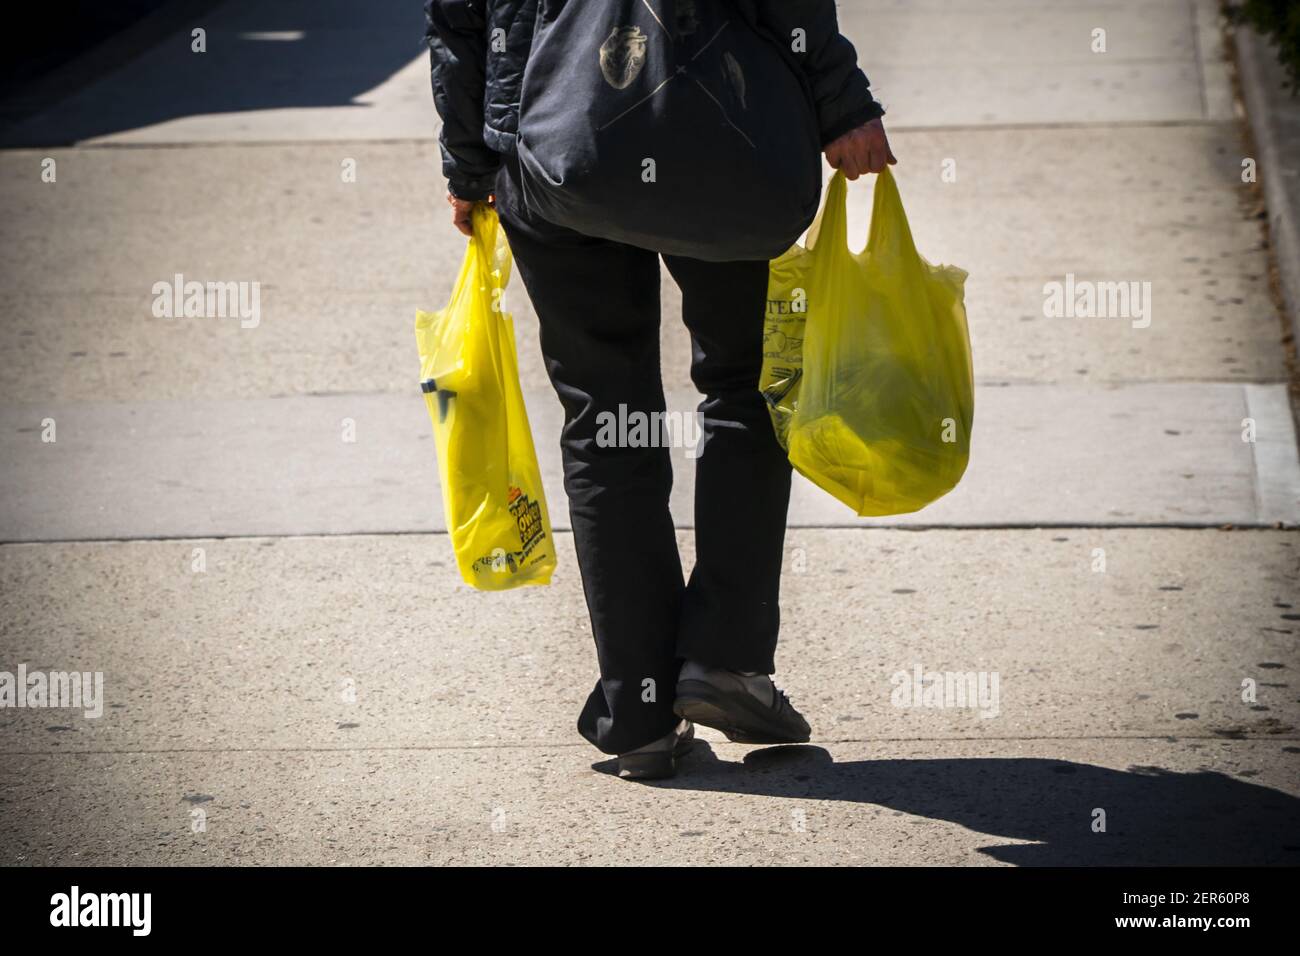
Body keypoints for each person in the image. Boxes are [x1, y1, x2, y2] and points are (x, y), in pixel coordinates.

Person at [425, 0, 895, 779]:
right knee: (744, 386)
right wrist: (840, 101)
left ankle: (638, 709)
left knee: (603, 414)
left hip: (552, 142)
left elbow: (457, 15)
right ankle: (725, 661)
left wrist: (471, 159)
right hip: (725, 132)